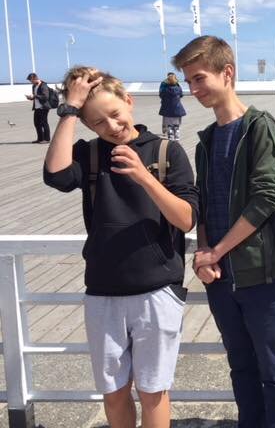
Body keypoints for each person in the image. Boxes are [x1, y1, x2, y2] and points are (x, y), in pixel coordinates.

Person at [43, 66, 199, 428]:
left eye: (115, 114)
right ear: (87, 124)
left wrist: (145, 177)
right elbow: (56, 176)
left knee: (153, 392)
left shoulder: (166, 151)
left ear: (129, 101)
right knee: (113, 394)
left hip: (157, 290)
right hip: (103, 291)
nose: (112, 126)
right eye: (98, 122)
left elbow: (186, 218)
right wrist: (70, 109)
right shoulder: (90, 154)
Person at [172, 35, 275, 428]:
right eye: (188, 81)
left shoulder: (259, 127)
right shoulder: (206, 141)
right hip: (221, 279)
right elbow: (203, 205)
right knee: (241, 367)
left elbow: (266, 197)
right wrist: (204, 252)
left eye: (199, 78)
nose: (193, 89)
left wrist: (216, 251)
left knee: (274, 372)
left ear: (227, 73)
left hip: (262, 275)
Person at [158, 72, 186, 141]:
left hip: (167, 110)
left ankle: (171, 138)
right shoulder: (178, 88)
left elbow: (161, 95)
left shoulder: (165, 90)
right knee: (176, 125)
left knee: (169, 126)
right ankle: (177, 138)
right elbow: (181, 95)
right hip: (178, 109)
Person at [26, 72, 51, 144]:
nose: (30, 82)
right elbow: (35, 97)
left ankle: (47, 139)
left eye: (31, 80)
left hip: (43, 107)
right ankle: (40, 138)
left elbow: (45, 97)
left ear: (34, 78)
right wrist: (30, 98)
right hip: (37, 107)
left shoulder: (43, 85)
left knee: (44, 123)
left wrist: (35, 96)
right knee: (37, 123)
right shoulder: (34, 86)